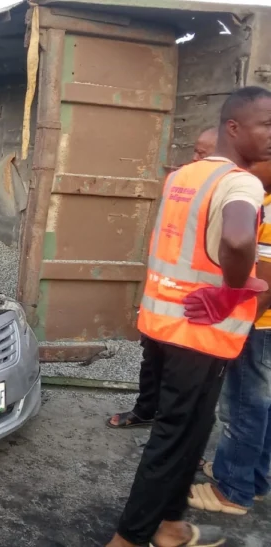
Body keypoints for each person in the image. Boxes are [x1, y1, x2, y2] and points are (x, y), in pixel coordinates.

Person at [106, 86, 271, 547]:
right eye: (267, 125)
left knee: (190, 432)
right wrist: (231, 293)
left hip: (164, 322)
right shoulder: (242, 181)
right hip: (200, 333)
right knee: (176, 439)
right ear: (235, 128)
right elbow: (238, 241)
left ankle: (171, 525)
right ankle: (128, 538)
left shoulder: (183, 175)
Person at [107, 127, 220, 433]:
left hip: (194, 310)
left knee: (183, 381)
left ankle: (180, 440)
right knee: (152, 361)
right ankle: (145, 411)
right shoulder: (180, 185)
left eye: (204, 154)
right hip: (162, 298)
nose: (194, 160)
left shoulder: (227, 196)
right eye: (195, 152)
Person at [189, 159, 271, 516]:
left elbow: (266, 281)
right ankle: (255, 480)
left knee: (243, 407)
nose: (247, 167)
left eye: (256, 161)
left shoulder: (266, 206)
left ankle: (232, 489)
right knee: (263, 406)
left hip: (260, 325)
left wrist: (237, 326)